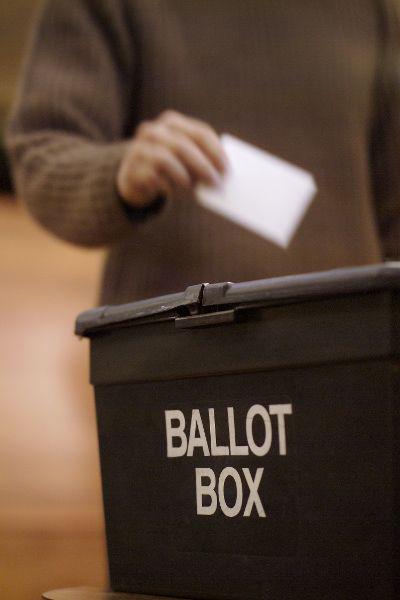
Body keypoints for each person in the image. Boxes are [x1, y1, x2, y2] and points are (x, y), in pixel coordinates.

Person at [6, 0, 400, 306]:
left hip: (346, 343)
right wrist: (119, 172)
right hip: (177, 357)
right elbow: (42, 152)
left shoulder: (374, 9)